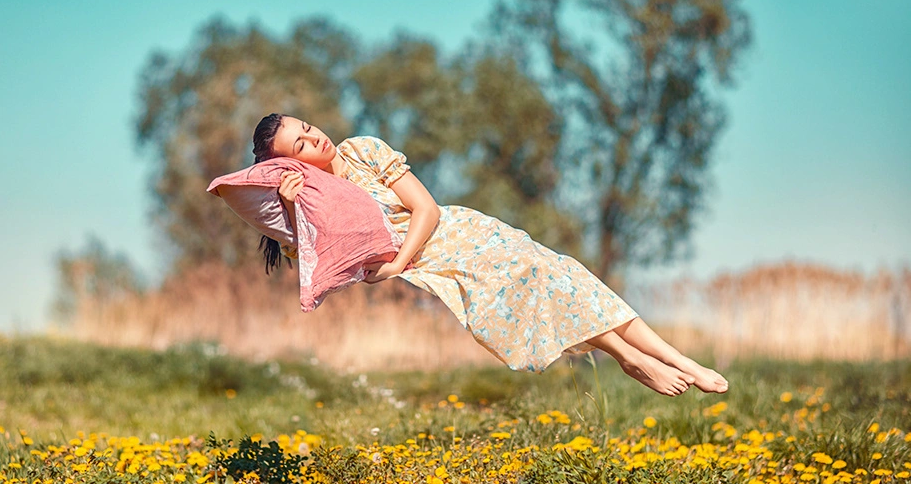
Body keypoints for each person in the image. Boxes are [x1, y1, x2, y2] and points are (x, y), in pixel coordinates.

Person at [250, 113, 728, 396]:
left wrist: (397, 263)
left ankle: (668, 359)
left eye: (309, 128)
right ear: (289, 162)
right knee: (543, 283)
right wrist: (292, 208)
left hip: (456, 232)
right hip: (436, 267)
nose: (316, 139)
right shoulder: (317, 197)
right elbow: (314, 255)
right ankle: (632, 357)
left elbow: (426, 208)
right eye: (302, 144)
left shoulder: (364, 150)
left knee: (559, 271)